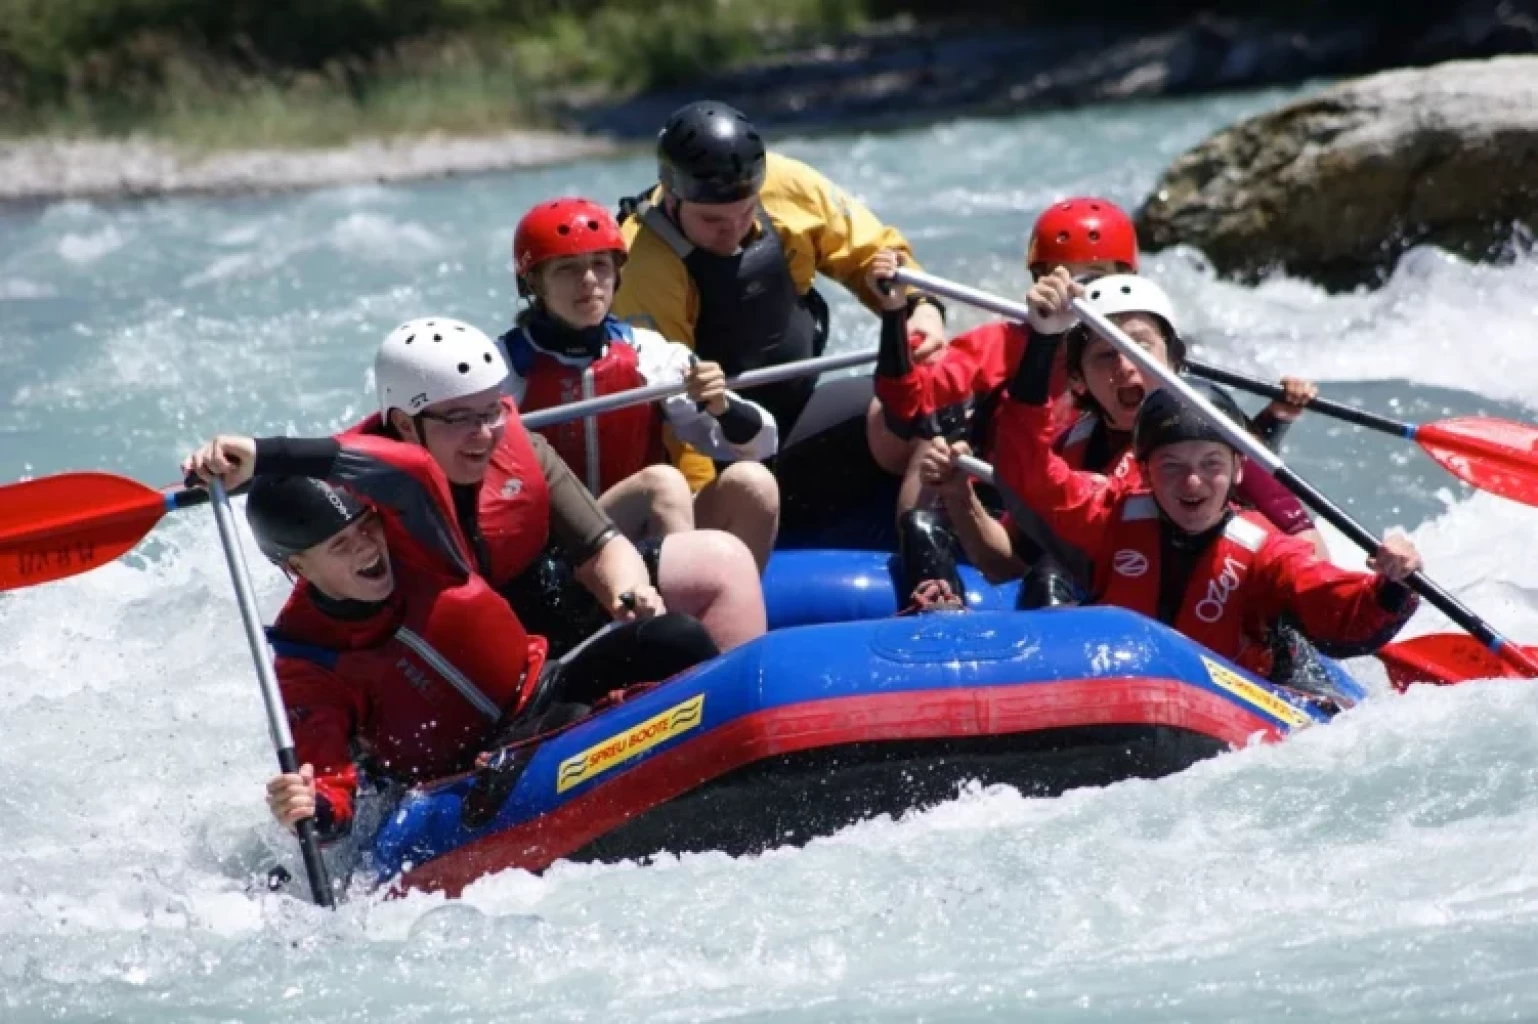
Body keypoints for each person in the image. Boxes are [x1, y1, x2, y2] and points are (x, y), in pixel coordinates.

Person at [183, 458, 716, 847]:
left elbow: (406, 462)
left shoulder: (417, 540)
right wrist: (314, 808)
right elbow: (329, 781)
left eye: (365, 529)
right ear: (297, 568)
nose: (369, 549)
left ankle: (726, 754)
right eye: (341, 547)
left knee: (677, 637)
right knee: (573, 724)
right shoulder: (307, 660)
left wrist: (265, 450)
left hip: (544, 686)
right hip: (473, 770)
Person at [190, 317, 768, 660]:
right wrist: (231, 464)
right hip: (450, 652)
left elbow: (599, 545)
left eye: (491, 411)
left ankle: (732, 725)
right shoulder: (355, 487)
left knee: (720, 562)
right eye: (459, 419)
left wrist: (625, 593)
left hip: (534, 599)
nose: (484, 434)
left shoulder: (518, 443)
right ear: (403, 425)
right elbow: (295, 515)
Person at [990, 278, 1423, 681]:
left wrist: (1392, 584)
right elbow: (1024, 467)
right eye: (1172, 466)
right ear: (1144, 469)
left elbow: (1342, 609)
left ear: (1237, 469)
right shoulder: (1109, 516)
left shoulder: (1266, 551)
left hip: (1232, 693)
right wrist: (1044, 340)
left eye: (1210, 466)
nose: (1192, 484)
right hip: (1124, 687)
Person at [888, 268, 1330, 596]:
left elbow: (1308, 551)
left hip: (1213, 617)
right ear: (1077, 378)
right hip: (1106, 618)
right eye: (1105, 355)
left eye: (1141, 346)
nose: (1124, 366)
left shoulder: (1218, 446)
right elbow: (1006, 564)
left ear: (1173, 360)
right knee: (1040, 576)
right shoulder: (1069, 448)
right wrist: (959, 495)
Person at [611, 99, 947, 496]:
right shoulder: (642, 266)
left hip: (794, 414)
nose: (733, 230)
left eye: (745, 211)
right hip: (720, 451)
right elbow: (673, 416)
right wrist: (708, 508)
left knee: (931, 399)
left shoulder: (786, 185)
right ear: (672, 199)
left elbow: (872, 255)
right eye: (713, 220)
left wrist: (921, 306)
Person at [502, 196, 781, 571]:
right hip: (558, 550)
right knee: (662, 484)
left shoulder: (650, 353)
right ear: (534, 282)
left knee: (753, 483)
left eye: (600, 266)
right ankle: (681, 616)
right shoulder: (501, 368)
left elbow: (763, 442)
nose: (588, 282)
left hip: (638, 528)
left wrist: (721, 407)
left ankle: (725, 612)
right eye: (567, 269)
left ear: (617, 275)